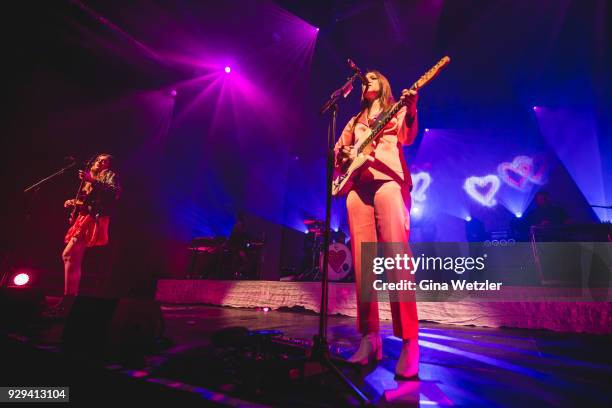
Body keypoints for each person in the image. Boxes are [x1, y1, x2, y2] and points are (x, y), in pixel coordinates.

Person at [335, 70, 420, 378]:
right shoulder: (355, 120)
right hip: (357, 188)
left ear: (384, 83)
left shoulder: (395, 109)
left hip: (388, 182)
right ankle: (370, 338)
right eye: (364, 79)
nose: (366, 80)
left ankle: (410, 342)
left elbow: (406, 138)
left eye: (372, 77)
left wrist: (410, 110)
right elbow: (338, 153)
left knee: (397, 258)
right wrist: (344, 154)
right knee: (363, 264)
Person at [55, 154, 121, 310]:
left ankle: (69, 299)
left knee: (68, 255)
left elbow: (112, 193)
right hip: (84, 217)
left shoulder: (111, 176)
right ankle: (70, 300)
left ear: (109, 166)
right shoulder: (91, 178)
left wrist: (92, 181)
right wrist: (73, 201)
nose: (99, 162)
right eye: (98, 160)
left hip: (93, 219)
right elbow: (89, 200)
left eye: (104, 161)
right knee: (73, 259)